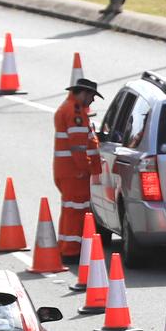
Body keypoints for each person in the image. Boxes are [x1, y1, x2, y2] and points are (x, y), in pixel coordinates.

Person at [54, 78, 103, 260]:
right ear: (83, 93)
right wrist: (86, 168)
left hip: (68, 171)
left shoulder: (70, 109)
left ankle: (66, 246)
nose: (93, 101)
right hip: (75, 172)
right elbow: (78, 147)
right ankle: (71, 250)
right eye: (92, 97)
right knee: (76, 210)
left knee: (71, 209)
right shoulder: (75, 112)